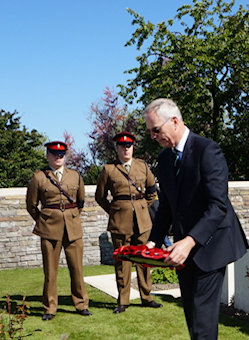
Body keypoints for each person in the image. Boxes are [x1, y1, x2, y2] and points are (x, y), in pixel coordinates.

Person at [143, 98, 249, 340]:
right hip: (185, 248)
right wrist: (152, 241)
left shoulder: (207, 151)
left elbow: (218, 206)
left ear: (174, 121)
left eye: (156, 130)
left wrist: (188, 241)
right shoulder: (165, 159)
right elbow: (167, 207)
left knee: (203, 317)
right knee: (192, 314)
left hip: (211, 245)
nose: (154, 137)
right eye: (150, 132)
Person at [95, 131, 162, 313]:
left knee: (144, 259)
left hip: (142, 220)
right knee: (122, 260)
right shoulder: (109, 170)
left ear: (133, 147)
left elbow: (151, 191)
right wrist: (115, 211)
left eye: (129, 146)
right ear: (116, 148)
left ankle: (147, 297)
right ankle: (123, 300)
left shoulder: (142, 166)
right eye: (122, 146)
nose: (126, 149)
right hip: (120, 222)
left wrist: (142, 207)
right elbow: (100, 196)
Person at [26, 141, 92, 321]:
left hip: (72, 227)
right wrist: (45, 221)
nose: (58, 157)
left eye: (61, 154)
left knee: (77, 268)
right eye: (54, 154)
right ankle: (50, 307)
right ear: (47, 155)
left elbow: (80, 202)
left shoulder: (75, 176)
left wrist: (71, 217)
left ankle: (81, 304)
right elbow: (31, 205)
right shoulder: (39, 177)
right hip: (49, 229)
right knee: (50, 271)